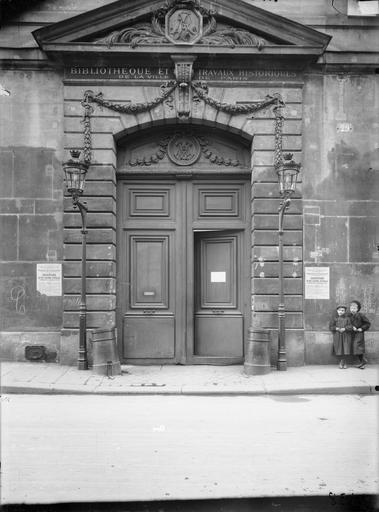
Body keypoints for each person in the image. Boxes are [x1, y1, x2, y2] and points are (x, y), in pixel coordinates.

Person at [348, 300, 371, 369]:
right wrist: (352, 327)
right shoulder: (349, 316)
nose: (353, 310)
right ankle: (362, 362)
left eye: (354, 308)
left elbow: (367, 323)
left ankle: (363, 360)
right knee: (355, 347)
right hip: (352, 333)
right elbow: (347, 324)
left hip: (359, 333)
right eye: (351, 308)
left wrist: (361, 328)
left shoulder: (361, 315)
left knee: (357, 346)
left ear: (358, 309)